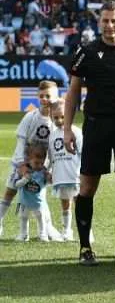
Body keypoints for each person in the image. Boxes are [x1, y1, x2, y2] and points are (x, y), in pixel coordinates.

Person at [64, 1, 115, 266]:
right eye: (105, 21)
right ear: (99, 23)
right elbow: (73, 92)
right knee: (87, 186)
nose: (110, 26)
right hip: (97, 125)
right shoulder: (86, 52)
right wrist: (67, 128)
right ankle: (85, 247)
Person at [0, 80, 59, 239]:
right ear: (37, 97)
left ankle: (47, 228)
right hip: (23, 164)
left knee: (40, 196)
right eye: (41, 96)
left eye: (48, 95)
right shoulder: (30, 117)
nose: (45, 99)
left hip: (41, 167)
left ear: (56, 97)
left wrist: (50, 170)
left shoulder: (56, 122)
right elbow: (21, 142)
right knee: (10, 192)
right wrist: (21, 165)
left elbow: (53, 148)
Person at [48, 102, 81, 242]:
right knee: (65, 204)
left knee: (80, 203)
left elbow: (83, 152)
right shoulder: (52, 135)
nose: (59, 121)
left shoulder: (76, 132)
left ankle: (86, 230)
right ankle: (67, 230)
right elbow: (50, 155)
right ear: (51, 117)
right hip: (60, 175)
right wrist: (49, 170)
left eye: (63, 116)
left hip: (75, 175)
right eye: (55, 118)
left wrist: (83, 172)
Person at [12, 143, 51, 241]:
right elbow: (16, 184)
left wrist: (49, 178)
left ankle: (43, 234)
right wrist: (24, 180)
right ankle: (24, 234)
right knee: (23, 217)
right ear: (29, 159)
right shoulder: (23, 170)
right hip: (24, 201)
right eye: (36, 163)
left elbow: (47, 184)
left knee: (40, 217)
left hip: (38, 202)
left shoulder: (43, 172)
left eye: (42, 163)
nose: (39, 166)